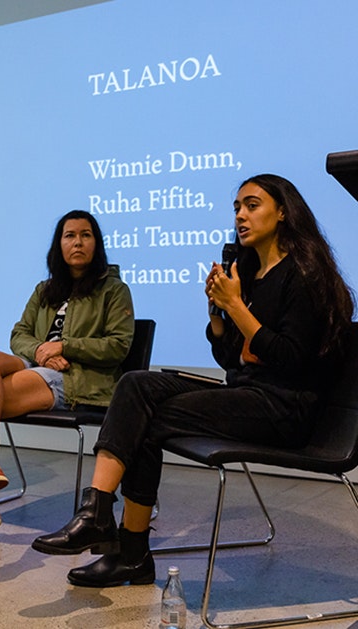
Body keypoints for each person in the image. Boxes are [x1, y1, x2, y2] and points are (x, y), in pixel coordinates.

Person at [31, 174, 355, 588]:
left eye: (252, 205)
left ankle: (124, 548)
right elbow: (231, 358)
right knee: (136, 385)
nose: (240, 215)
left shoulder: (304, 275)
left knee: (146, 420)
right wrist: (218, 316)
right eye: (236, 207)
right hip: (249, 393)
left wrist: (236, 306)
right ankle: (99, 516)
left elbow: (289, 359)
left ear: (283, 212)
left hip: (285, 408)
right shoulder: (251, 273)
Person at [0, 210, 135, 543]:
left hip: (79, 380)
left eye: (85, 235)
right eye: (69, 235)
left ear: (96, 244)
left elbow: (118, 346)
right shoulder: (45, 290)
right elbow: (19, 335)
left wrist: (66, 347)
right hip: (41, 368)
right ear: (59, 244)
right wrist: (43, 349)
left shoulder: (113, 290)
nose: (77, 242)